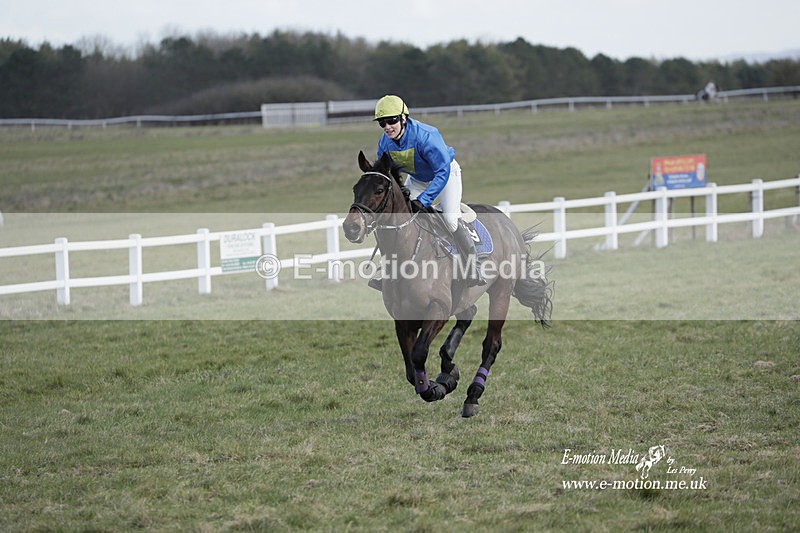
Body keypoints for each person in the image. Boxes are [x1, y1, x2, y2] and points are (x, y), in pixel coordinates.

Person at [372, 94, 485, 288]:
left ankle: (473, 266)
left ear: (403, 118)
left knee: (450, 220)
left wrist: (424, 201)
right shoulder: (384, 144)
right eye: (382, 123)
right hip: (417, 179)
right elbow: (388, 175)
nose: (387, 127)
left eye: (391, 120)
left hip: (446, 174)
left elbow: (442, 171)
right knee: (399, 218)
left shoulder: (426, 135)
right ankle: (389, 269)